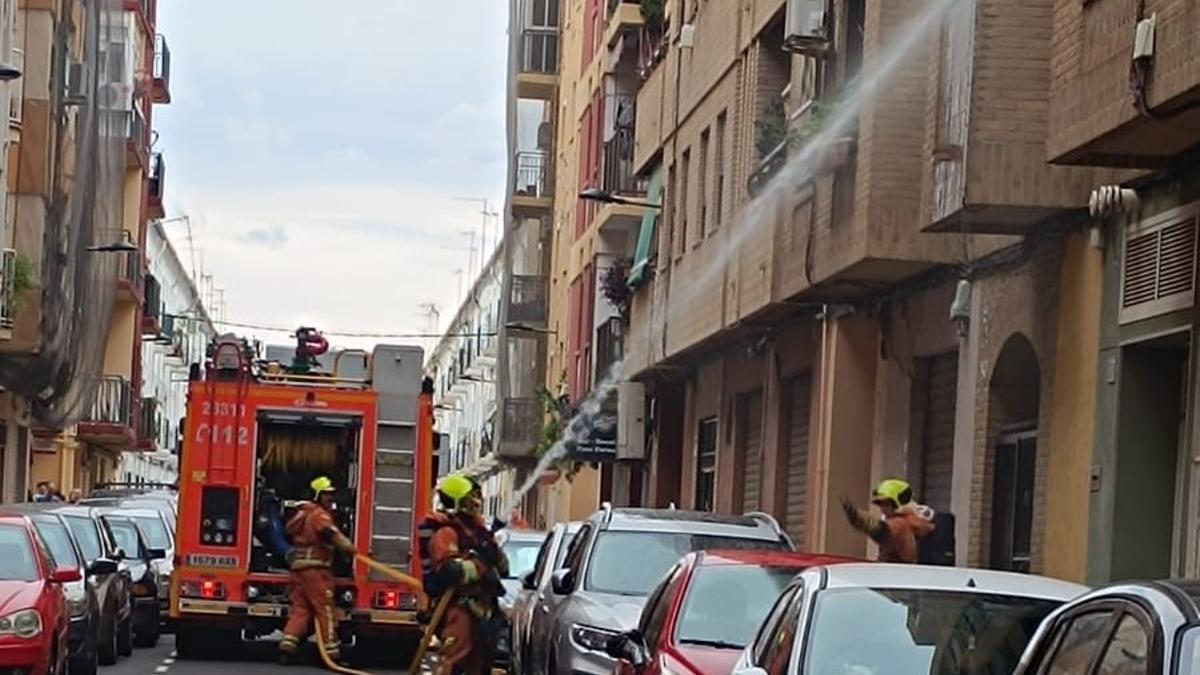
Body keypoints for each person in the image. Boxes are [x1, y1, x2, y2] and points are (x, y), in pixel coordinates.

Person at [423, 474, 508, 675]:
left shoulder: (479, 533)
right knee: (453, 661)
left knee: (480, 666)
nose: (477, 501)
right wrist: (480, 563)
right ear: (458, 501)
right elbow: (450, 572)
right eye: (471, 496)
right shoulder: (446, 533)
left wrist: (493, 550)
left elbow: (504, 569)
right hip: (460, 609)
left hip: (485, 610)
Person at [278, 476, 357, 665]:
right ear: (317, 495)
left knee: (301, 609)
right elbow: (330, 533)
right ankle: (332, 654)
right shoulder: (319, 515)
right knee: (326, 609)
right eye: (327, 494)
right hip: (316, 569)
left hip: (299, 568)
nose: (331, 498)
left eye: (332, 494)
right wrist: (349, 547)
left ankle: (287, 648)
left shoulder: (302, 513)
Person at [841, 478, 935, 564]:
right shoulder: (916, 520)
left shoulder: (901, 524)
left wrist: (860, 519)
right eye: (880, 505)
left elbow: (883, 530)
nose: (882, 509)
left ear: (898, 502)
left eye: (886, 504)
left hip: (897, 576)